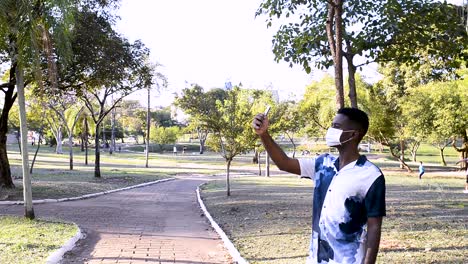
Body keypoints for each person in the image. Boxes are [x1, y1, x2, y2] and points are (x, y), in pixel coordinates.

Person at [252, 107, 385, 264]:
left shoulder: (371, 175)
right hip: (317, 259)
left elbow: (374, 226)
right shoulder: (323, 164)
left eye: (336, 126)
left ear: (354, 134)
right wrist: (264, 134)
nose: (330, 130)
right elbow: (284, 163)